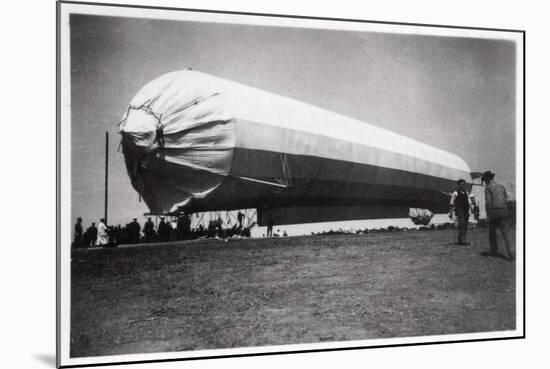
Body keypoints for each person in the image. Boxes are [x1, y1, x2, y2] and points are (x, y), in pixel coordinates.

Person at [482, 171, 514, 260]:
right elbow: (506, 198)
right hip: (504, 211)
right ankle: (512, 253)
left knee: (492, 233)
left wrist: (488, 215)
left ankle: (494, 251)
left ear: (488, 179)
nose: (484, 182)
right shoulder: (501, 186)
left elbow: (488, 202)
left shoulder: (488, 188)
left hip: (494, 212)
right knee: (506, 233)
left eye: (485, 180)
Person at [449, 179, 473, 245]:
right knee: (462, 223)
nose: (463, 185)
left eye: (463, 184)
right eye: (461, 184)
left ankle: (461, 240)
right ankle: (462, 241)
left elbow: (469, 201)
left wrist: (471, 209)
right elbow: (451, 202)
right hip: (459, 209)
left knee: (465, 224)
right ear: (459, 185)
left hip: (466, 210)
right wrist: (451, 212)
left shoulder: (466, 192)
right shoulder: (455, 193)